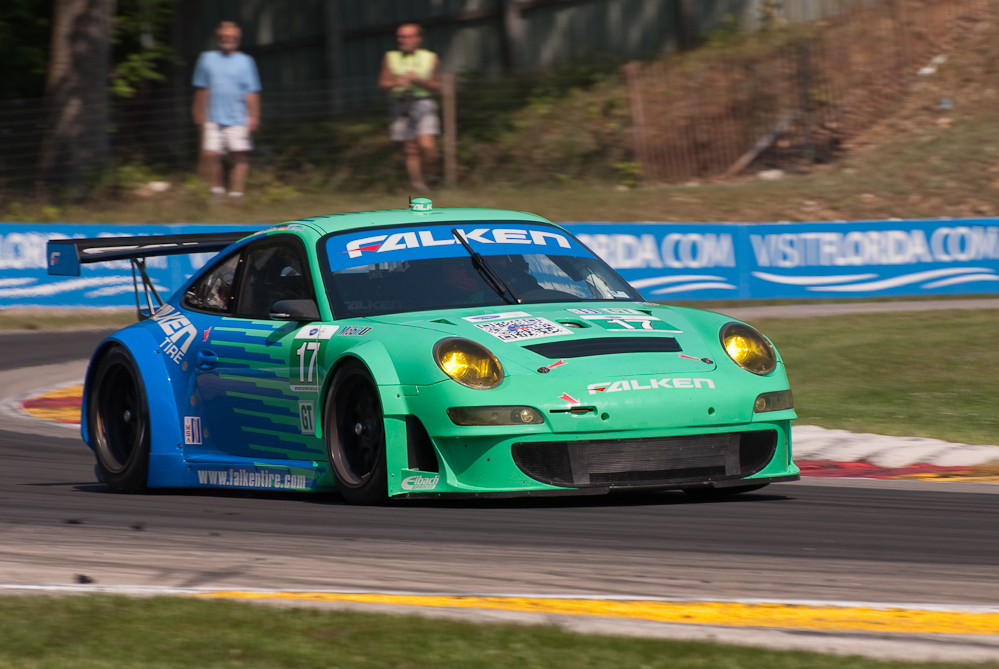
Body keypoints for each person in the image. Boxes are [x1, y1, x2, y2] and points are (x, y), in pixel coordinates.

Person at [192, 21, 260, 200]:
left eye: (231, 37)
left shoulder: (246, 61)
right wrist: (198, 110)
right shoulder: (206, 59)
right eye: (224, 36)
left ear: (238, 38)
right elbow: (201, 88)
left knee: (238, 156)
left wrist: (253, 115)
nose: (227, 39)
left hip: (238, 117)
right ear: (218, 37)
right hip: (212, 116)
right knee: (210, 154)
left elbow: (251, 91)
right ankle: (217, 190)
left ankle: (237, 194)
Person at [378, 24, 441, 192]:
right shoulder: (390, 57)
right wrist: (396, 83)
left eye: (407, 37)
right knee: (410, 149)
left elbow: (436, 86)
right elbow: (383, 84)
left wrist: (418, 81)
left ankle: (432, 177)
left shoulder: (431, 58)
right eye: (400, 37)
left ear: (418, 39)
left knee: (427, 145)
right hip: (401, 104)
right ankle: (419, 186)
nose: (402, 40)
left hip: (423, 103)